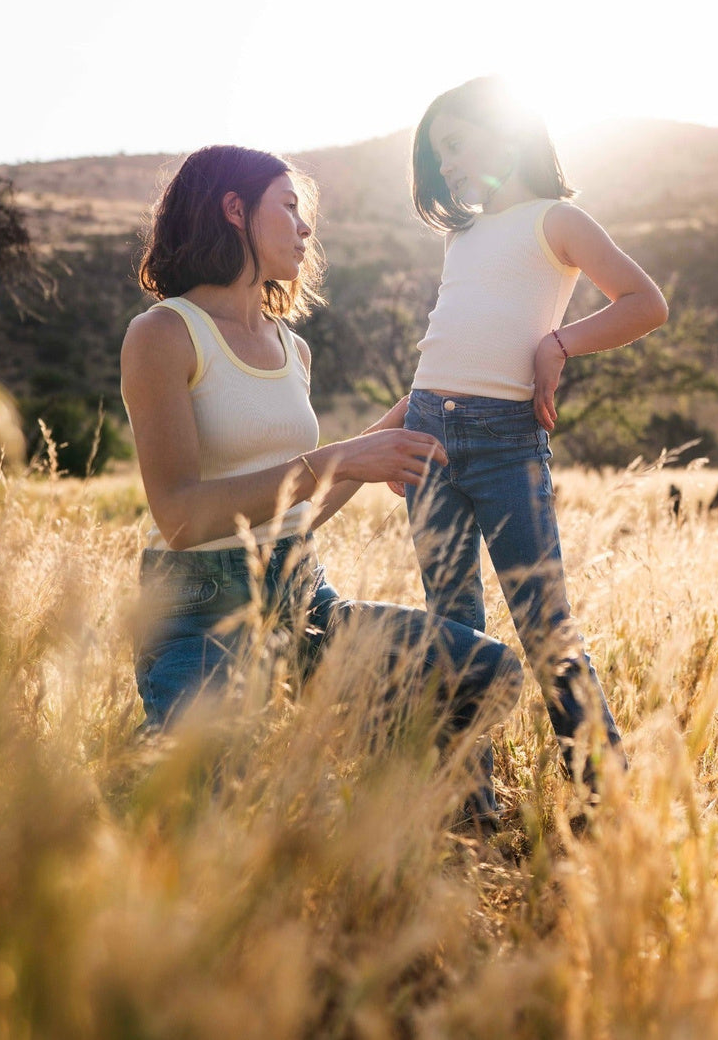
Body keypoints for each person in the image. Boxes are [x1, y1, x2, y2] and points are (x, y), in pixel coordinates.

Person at [120, 144, 523, 813]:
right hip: (201, 615)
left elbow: (291, 511)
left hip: (307, 602)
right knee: (209, 810)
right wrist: (337, 460)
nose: (306, 227)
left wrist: (384, 440)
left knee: (485, 675)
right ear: (233, 210)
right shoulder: (164, 334)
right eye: (289, 207)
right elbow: (180, 515)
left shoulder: (291, 347)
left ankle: (390, 816)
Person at [400, 77, 669, 820]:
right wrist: (390, 433)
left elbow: (646, 302)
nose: (447, 166)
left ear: (506, 134)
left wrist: (560, 342)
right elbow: (442, 352)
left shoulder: (559, 220)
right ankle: (467, 807)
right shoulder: (463, 237)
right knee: (451, 628)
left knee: (544, 624)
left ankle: (605, 803)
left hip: (504, 440)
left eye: (455, 145)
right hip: (427, 434)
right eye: (437, 155)